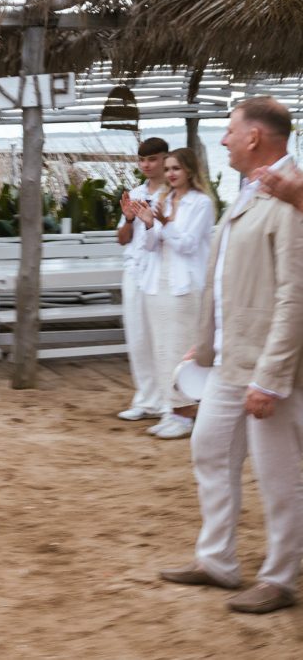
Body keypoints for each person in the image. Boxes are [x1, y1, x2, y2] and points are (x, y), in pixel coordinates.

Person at [160, 97, 303, 614]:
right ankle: (217, 560)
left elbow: (294, 293)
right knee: (209, 449)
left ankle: (280, 576)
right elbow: (228, 280)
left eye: (228, 130)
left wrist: (271, 377)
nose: (221, 140)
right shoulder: (251, 189)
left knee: (279, 475)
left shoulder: (291, 195)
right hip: (228, 359)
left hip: (268, 365)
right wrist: (208, 339)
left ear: (255, 138)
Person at [133, 148, 215, 439]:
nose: (170, 174)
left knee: (183, 349)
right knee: (163, 349)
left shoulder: (202, 203)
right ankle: (172, 410)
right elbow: (151, 245)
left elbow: (188, 244)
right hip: (159, 281)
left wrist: (165, 224)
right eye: (167, 169)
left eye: (176, 168)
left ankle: (187, 413)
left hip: (185, 283)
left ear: (189, 170)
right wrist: (147, 223)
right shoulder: (162, 199)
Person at [116, 138, 169, 423]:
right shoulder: (135, 193)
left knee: (160, 336)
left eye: (153, 159)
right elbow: (122, 240)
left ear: (165, 159)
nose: (147, 165)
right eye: (143, 160)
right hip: (135, 271)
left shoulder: (173, 193)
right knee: (137, 337)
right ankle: (145, 399)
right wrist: (127, 219)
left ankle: (168, 401)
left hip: (162, 271)